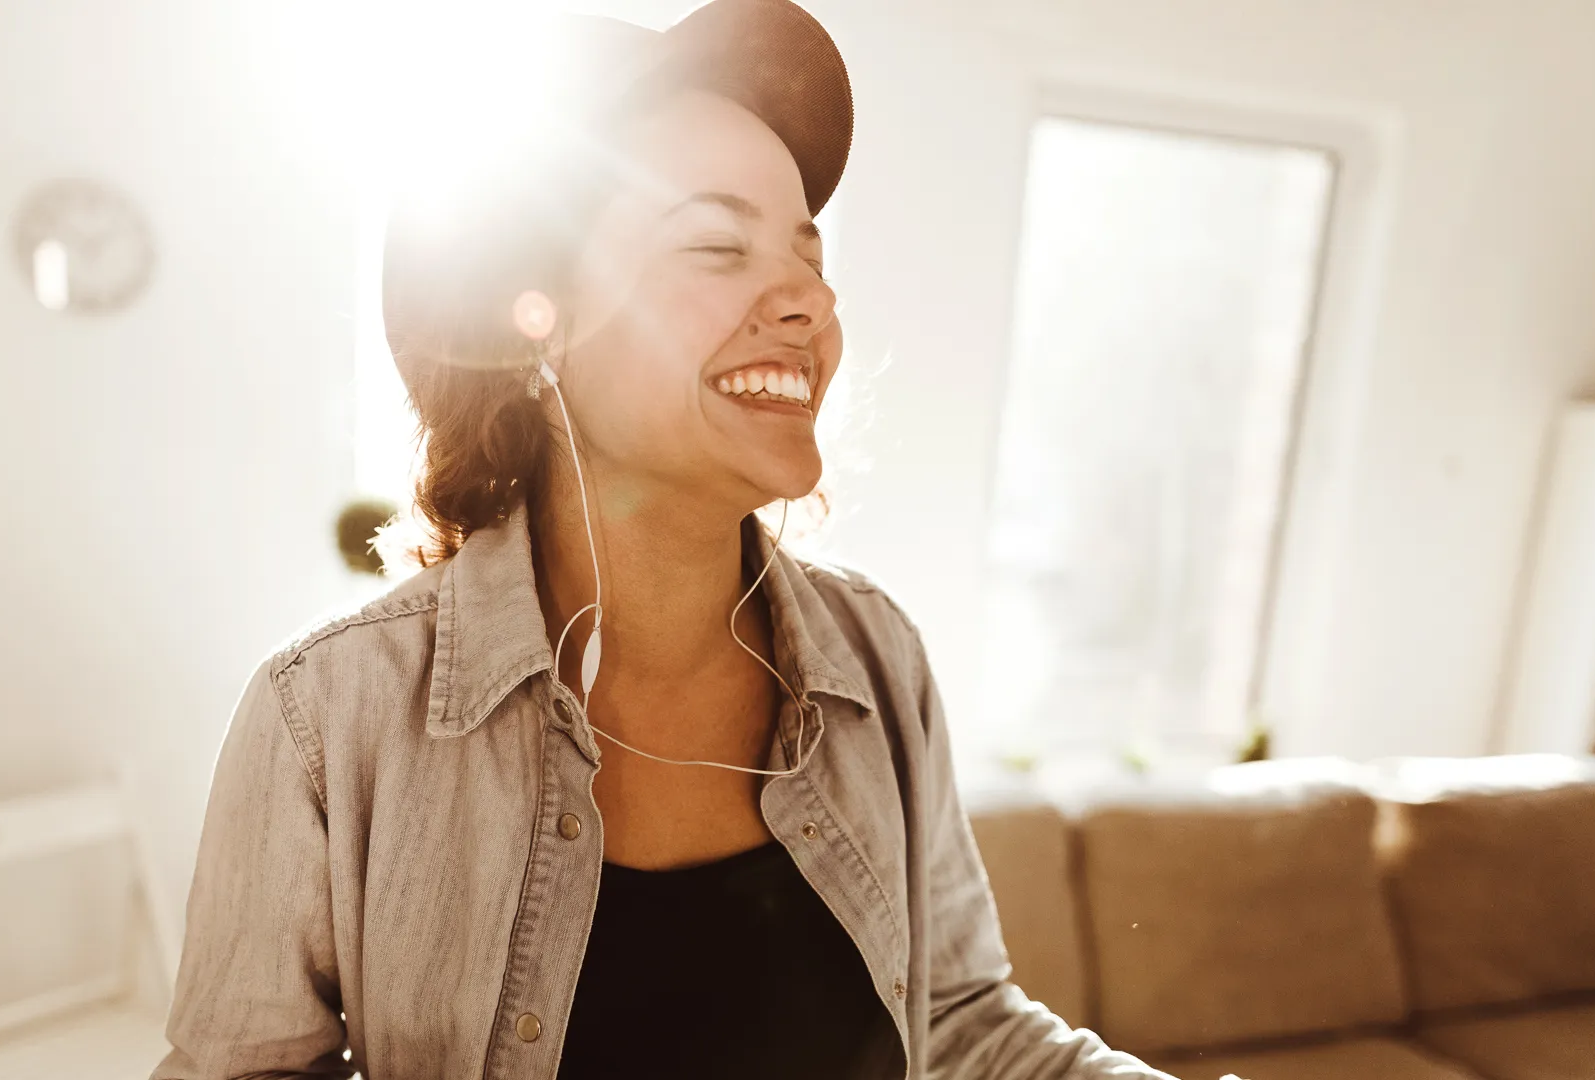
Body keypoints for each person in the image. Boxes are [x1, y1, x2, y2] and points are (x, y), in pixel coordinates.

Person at [154, 1, 1175, 1077]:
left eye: (807, 250)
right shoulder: (326, 718)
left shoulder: (881, 660)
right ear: (536, 323)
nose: (810, 301)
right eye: (717, 245)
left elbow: (966, 1025)